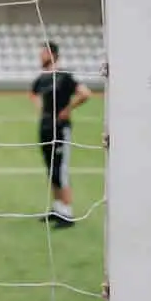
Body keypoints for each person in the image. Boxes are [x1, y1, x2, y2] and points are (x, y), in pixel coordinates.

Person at [29, 41, 91, 229]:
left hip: (60, 128)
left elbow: (85, 94)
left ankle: (67, 213)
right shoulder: (43, 78)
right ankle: (57, 209)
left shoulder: (64, 76)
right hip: (45, 128)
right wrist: (41, 110)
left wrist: (67, 109)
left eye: (43, 53)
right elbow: (33, 93)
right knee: (51, 170)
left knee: (60, 170)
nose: (40, 56)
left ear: (53, 55)